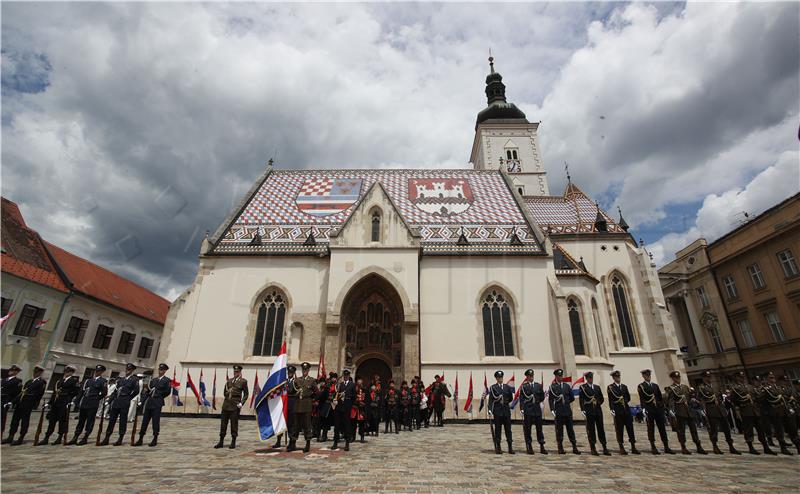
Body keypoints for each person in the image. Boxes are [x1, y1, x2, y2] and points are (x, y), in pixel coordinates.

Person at [730, 371, 775, 455]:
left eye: (743, 377)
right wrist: (738, 409)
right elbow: (733, 400)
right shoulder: (735, 388)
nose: (742, 378)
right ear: (736, 378)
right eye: (740, 377)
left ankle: (766, 447)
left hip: (755, 410)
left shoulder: (750, 387)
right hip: (746, 410)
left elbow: (757, 396)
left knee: (761, 429)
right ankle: (751, 447)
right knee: (749, 430)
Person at [696, 370, 739, 455]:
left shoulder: (715, 386)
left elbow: (719, 397)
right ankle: (715, 446)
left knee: (727, 428)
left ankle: (731, 445)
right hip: (711, 409)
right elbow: (701, 400)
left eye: (709, 377)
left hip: (720, 409)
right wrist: (703, 410)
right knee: (714, 429)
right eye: (706, 377)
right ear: (703, 378)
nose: (708, 378)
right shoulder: (701, 388)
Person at [664, 370, 707, 455]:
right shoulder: (671, 388)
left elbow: (690, 397)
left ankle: (698, 446)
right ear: (673, 378)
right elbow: (671, 400)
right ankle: (683, 446)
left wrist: (693, 400)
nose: (678, 379)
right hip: (679, 411)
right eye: (676, 378)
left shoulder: (685, 387)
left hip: (688, 410)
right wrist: (671, 409)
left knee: (693, 429)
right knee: (681, 430)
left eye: (678, 377)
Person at [4, 365, 46, 445]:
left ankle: (21, 437)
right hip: (20, 402)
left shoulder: (41, 382)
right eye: (34, 372)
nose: (35, 373)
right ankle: (11, 436)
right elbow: (22, 392)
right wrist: (13, 402)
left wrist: (35, 404)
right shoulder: (29, 381)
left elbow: (40, 394)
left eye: (37, 372)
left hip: (28, 403)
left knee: (24, 421)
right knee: (14, 420)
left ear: (40, 373)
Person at [38, 364, 80, 446]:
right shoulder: (59, 381)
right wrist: (50, 403)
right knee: (52, 420)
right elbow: (55, 392)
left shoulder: (74, 381)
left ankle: (60, 437)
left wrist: (70, 401)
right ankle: (46, 437)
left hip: (64, 402)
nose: (67, 373)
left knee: (62, 421)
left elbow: (75, 392)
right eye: (66, 371)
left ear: (72, 372)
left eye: (69, 371)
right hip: (56, 402)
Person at [67, 364, 108, 445]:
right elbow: (82, 391)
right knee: (81, 421)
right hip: (85, 401)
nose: (97, 372)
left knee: (90, 421)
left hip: (93, 403)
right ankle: (75, 436)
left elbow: (104, 393)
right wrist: (77, 401)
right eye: (96, 370)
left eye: (99, 371)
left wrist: (96, 398)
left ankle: (85, 437)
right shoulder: (88, 381)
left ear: (102, 372)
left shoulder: (103, 381)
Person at [100, 363, 140, 446]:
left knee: (122, 420)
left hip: (124, 401)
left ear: (132, 370)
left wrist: (128, 398)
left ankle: (120, 438)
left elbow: (136, 391)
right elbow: (115, 391)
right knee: (112, 420)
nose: (127, 371)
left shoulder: (134, 380)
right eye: (126, 369)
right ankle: (107, 437)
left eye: (129, 369)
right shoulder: (121, 380)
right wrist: (110, 401)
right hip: (117, 401)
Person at [637, 368, 674, 455]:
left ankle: (666, 446)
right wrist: (643, 408)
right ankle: (653, 446)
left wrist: (662, 407)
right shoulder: (641, 386)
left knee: (662, 428)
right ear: (643, 376)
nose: (648, 377)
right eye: (646, 375)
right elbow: (642, 398)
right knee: (651, 428)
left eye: (649, 375)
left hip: (658, 409)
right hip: (649, 409)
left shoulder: (655, 386)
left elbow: (659, 398)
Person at [135, 363, 172, 447]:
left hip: (157, 402)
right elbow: (148, 391)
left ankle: (155, 438)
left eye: (162, 370)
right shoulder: (153, 380)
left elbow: (167, 391)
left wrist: (159, 396)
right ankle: (140, 438)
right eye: (159, 369)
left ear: (165, 371)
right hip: (150, 402)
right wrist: (142, 401)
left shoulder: (167, 380)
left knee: (155, 421)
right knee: (145, 421)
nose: (160, 371)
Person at [215, 364, 248, 450]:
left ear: (240, 372)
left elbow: (246, 394)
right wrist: (228, 393)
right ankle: (221, 441)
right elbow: (224, 392)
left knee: (234, 424)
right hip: (226, 405)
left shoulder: (243, 381)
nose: (235, 373)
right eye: (234, 371)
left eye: (237, 372)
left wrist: (241, 403)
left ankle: (233, 441)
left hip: (235, 406)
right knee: (223, 424)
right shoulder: (229, 381)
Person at [761, 371, 794, 455]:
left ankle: (797, 444)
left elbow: (784, 398)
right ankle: (783, 447)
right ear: (766, 379)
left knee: (791, 428)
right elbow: (764, 402)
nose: (773, 379)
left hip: (784, 410)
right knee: (779, 430)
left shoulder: (778, 387)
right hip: (775, 412)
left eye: (773, 377)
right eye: (771, 378)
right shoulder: (765, 389)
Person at [607, 370, 639, 455]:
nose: (618, 378)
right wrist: (612, 409)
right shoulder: (610, 387)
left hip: (626, 410)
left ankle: (633, 446)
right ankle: (621, 446)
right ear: (613, 378)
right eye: (616, 377)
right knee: (619, 429)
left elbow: (628, 398)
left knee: (630, 428)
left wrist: (623, 401)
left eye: (619, 376)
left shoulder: (624, 387)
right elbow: (611, 400)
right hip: (618, 411)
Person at [579, 371, 610, 456]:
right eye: (589, 378)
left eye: (591, 378)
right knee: (591, 429)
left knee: (601, 429)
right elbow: (581, 400)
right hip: (589, 411)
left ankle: (604, 447)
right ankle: (593, 447)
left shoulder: (597, 387)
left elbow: (602, 399)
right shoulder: (583, 388)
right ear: (586, 378)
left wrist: (598, 402)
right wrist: (583, 410)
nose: (591, 379)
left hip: (598, 411)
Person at [549, 368, 579, 455]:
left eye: (561, 375)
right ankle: (560, 447)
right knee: (559, 430)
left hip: (567, 411)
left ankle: (574, 446)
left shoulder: (566, 386)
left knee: (570, 429)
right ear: (556, 376)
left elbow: (572, 397)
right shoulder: (553, 387)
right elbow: (551, 400)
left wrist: (565, 402)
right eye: (559, 375)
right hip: (558, 411)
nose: (560, 377)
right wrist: (552, 410)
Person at [289, 362, 316, 452]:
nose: (305, 371)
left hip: (306, 404)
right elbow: (291, 391)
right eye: (303, 370)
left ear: (308, 370)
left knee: (307, 425)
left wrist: (312, 399)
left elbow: (316, 392)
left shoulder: (312, 381)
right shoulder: (297, 380)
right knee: (295, 425)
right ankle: (293, 443)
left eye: (306, 370)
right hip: (297, 405)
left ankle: (307, 444)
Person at [519, 369, 546, 455]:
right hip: (528, 410)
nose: (531, 377)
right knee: (528, 429)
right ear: (526, 377)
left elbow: (542, 396)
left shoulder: (538, 386)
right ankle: (529, 446)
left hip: (537, 409)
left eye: (532, 376)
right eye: (529, 376)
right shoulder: (524, 387)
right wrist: (522, 409)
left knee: (539, 429)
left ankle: (542, 445)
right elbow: (522, 398)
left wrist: (538, 402)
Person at [488, 370, 514, 454]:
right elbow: (491, 400)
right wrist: (490, 410)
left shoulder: (507, 387)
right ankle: (498, 446)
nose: (500, 379)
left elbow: (510, 398)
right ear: (496, 378)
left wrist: (505, 402)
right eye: (498, 378)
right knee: (498, 429)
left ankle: (510, 447)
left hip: (506, 410)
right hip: (497, 411)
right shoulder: (493, 387)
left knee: (508, 429)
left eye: (501, 377)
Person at [331, 368, 355, 451]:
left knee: (347, 425)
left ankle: (347, 443)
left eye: (347, 375)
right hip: (339, 407)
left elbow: (354, 397)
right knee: (337, 425)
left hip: (347, 407)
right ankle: (335, 442)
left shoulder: (352, 384)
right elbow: (336, 394)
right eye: (344, 375)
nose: (345, 377)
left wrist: (350, 405)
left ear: (349, 376)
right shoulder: (340, 384)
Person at [778, 374, 800, 454]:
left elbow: (795, 398)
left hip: (791, 411)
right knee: (782, 431)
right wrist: (789, 398)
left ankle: (798, 446)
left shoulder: (790, 389)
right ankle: (784, 447)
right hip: (782, 412)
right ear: (780, 381)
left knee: (793, 429)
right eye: (783, 381)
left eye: (786, 381)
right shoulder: (779, 389)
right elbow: (781, 398)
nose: (785, 382)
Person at [1, 364, 23, 435]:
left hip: (6, 400)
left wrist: (11, 402)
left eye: (13, 370)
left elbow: (18, 394)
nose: (10, 371)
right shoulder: (4, 379)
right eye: (11, 370)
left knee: (2, 418)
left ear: (16, 372)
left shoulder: (18, 381)